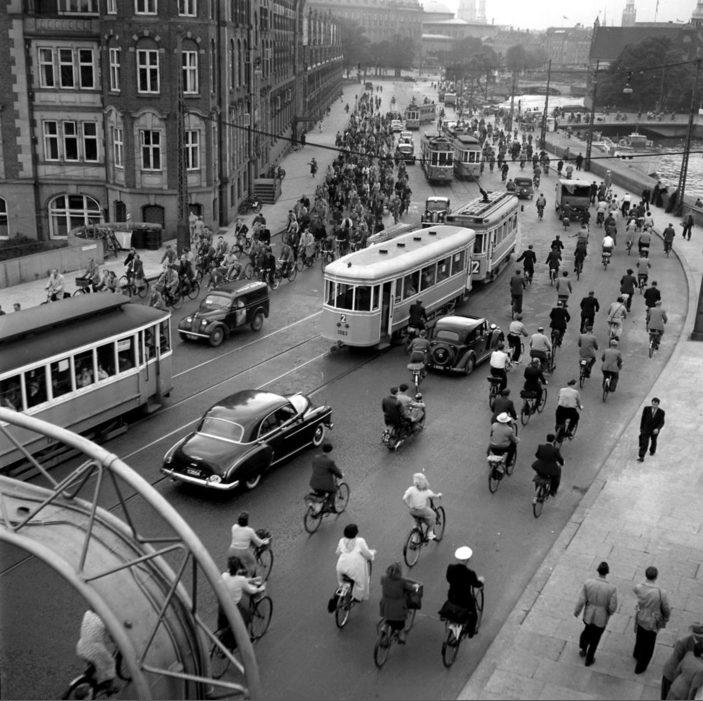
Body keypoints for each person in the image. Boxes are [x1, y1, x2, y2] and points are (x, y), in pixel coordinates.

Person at [574, 561, 618, 667]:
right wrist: (609, 612)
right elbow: (612, 607)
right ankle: (589, 659)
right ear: (607, 572)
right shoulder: (612, 588)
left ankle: (583, 649)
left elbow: (581, 600)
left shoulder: (588, 583)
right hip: (601, 617)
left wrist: (577, 611)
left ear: (598, 570)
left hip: (589, 614)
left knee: (587, 631)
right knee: (595, 639)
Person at [633, 566, 671, 674]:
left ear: (646, 575)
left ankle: (636, 654)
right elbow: (666, 608)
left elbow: (636, 592)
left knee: (640, 636)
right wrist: (666, 618)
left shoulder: (638, 587)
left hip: (640, 616)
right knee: (648, 646)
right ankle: (640, 667)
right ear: (656, 576)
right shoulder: (661, 592)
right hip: (652, 621)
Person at [441, 547, 484, 636]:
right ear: (468, 559)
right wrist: (481, 581)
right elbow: (476, 584)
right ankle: (471, 632)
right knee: (474, 615)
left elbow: (448, 579)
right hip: (465, 601)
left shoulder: (450, 568)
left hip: (452, 597)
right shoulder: (470, 573)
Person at [219, 555, 266, 634]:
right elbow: (251, 591)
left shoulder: (223, 575)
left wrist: (248, 580)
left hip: (222, 604)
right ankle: (245, 636)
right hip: (233, 606)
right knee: (247, 616)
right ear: (238, 568)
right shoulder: (241, 579)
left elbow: (233, 581)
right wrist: (260, 589)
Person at [75, 610, 118, 694]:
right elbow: (112, 636)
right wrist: (116, 643)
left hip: (81, 647)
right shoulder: (105, 620)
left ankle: (87, 680)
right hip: (94, 650)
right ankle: (109, 688)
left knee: (92, 665)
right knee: (109, 664)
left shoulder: (88, 613)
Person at [335, 524, 376, 602]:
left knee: (342, 582)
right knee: (361, 583)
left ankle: (343, 592)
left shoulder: (341, 540)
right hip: (354, 569)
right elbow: (366, 553)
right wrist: (372, 555)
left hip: (341, 566)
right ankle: (357, 597)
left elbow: (337, 552)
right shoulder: (360, 541)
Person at [661, 624, 703, 699]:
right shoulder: (683, 642)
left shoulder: (697, 644)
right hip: (671, 672)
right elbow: (676, 661)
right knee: (666, 695)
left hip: (680, 675)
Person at [379, 562, 417, 644]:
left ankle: (385, 627)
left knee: (388, 618)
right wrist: (415, 587)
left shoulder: (383, 578)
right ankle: (401, 636)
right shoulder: (402, 581)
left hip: (385, 606)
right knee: (401, 624)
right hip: (397, 609)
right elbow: (411, 588)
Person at [228, 512, 270, 576]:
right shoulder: (250, 531)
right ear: (246, 521)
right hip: (243, 552)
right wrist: (265, 541)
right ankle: (253, 579)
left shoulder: (234, 527)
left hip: (232, 550)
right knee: (253, 564)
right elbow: (259, 543)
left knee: (235, 567)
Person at [402, 472, 441, 540]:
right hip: (422, 510)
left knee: (417, 520)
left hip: (412, 511)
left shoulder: (411, 489)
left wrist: (408, 505)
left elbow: (404, 498)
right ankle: (430, 534)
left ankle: (414, 538)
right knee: (433, 516)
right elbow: (433, 496)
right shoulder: (426, 491)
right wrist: (438, 495)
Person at [309, 442, 343, 512]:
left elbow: (315, 467)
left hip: (314, 482)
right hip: (324, 485)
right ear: (330, 450)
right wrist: (341, 475)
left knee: (320, 494)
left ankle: (316, 508)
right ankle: (329, 507)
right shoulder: (330, 462)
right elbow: (336, 472)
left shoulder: (316, 458)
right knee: (333, 491)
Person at [638, 397, 665, 462]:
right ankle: (641, 457)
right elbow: (643, 419)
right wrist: (641, 428)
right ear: (652, 403)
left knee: (653, 440)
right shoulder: (646, 409)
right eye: (653, 404)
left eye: (655, 404)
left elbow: (662, 422)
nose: (654, 405)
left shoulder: (661, 412)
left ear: (658, 404)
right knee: (644, 443)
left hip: (654, 430)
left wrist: (657, 428)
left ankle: (652, 451)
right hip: (646, 429)